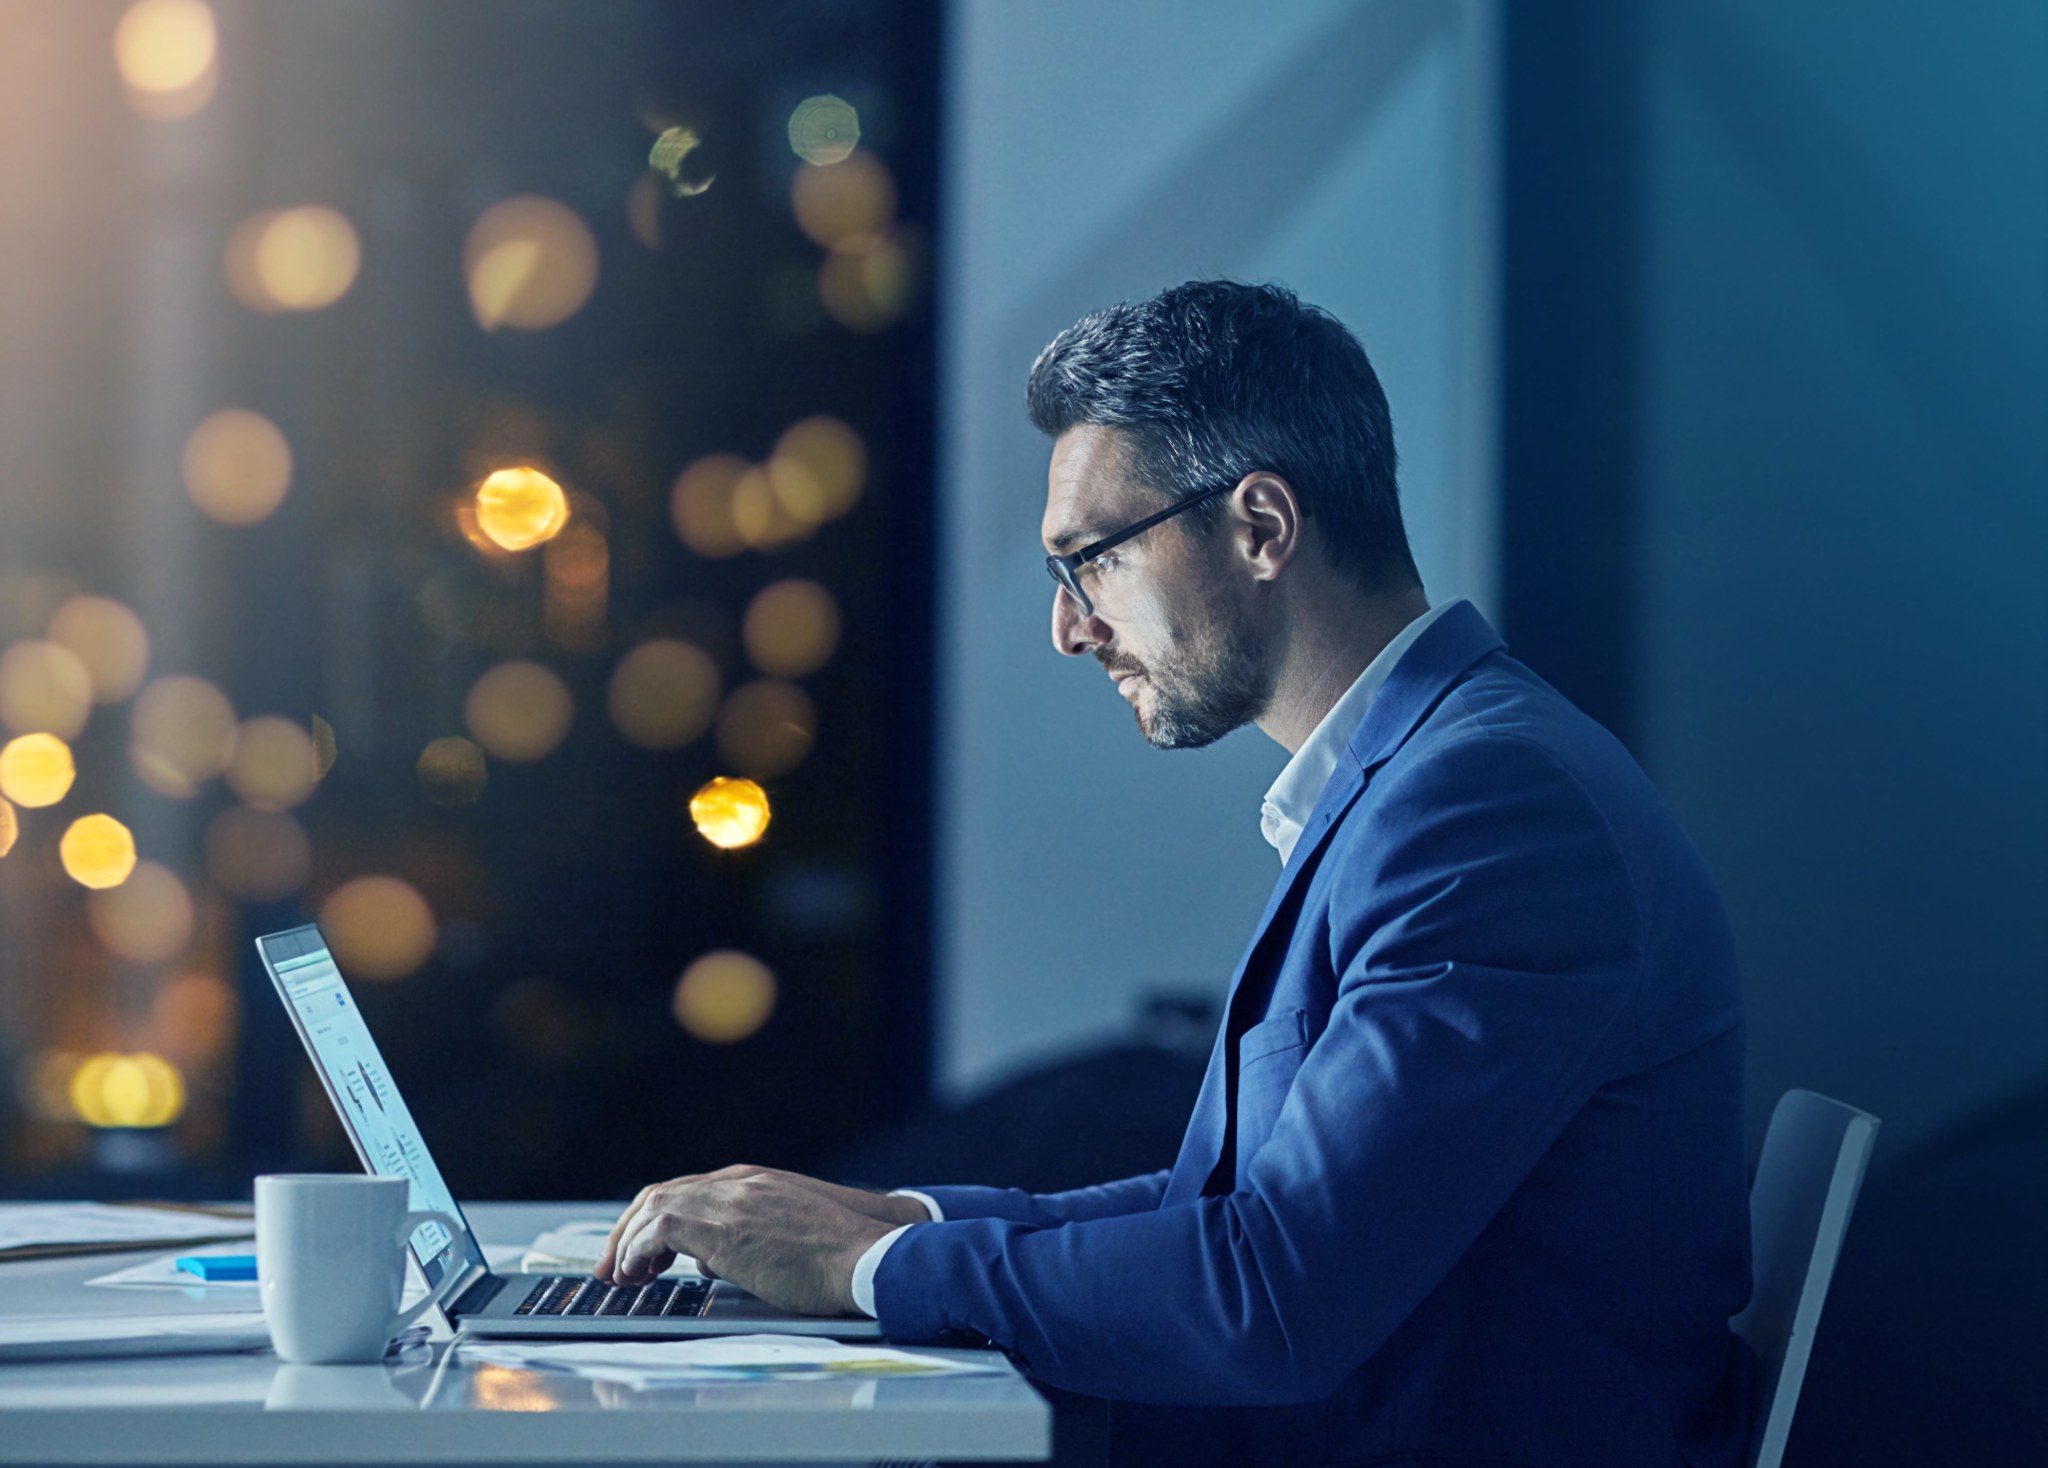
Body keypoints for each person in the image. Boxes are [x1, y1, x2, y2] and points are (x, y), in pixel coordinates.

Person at [598, 281, 1756, 1467]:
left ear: (1258, 528)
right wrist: (894, 1222)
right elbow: (1230, 1207)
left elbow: (1272, 1290)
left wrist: (858, 1269)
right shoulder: (1425, 779)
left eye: (1088, 560)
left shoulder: (1485, 810)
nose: (1069, 628)